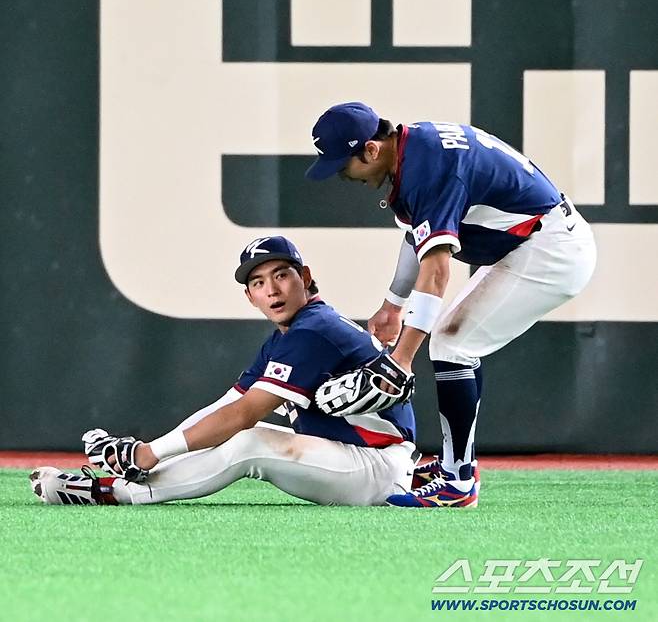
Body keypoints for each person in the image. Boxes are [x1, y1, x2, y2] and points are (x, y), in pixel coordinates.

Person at [306, 102, 597, 508]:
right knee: (451, 344)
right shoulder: (411, 152)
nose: (342, 174)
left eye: (343, 164)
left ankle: (458, 480)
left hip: (551, 249)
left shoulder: (429, 168)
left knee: (451, 345)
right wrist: (393, 306)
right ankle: (453, 465)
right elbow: (416, 236)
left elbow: (438, 271)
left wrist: (401, 359)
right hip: (533, 242)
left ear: (371, 150)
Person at [30, 236, 417, 507]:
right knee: (237, 434)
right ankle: (117, 483)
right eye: (258, 282)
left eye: (282, 274)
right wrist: (149, 453)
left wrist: (149, 453)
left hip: (377, 466)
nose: (272, 290)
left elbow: (244, 415)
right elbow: (227, 406)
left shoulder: (315, 329)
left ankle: (115, 494)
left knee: (251, 442)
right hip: (356, 457)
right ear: (249, 297)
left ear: (306, 276)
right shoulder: (288, 336)